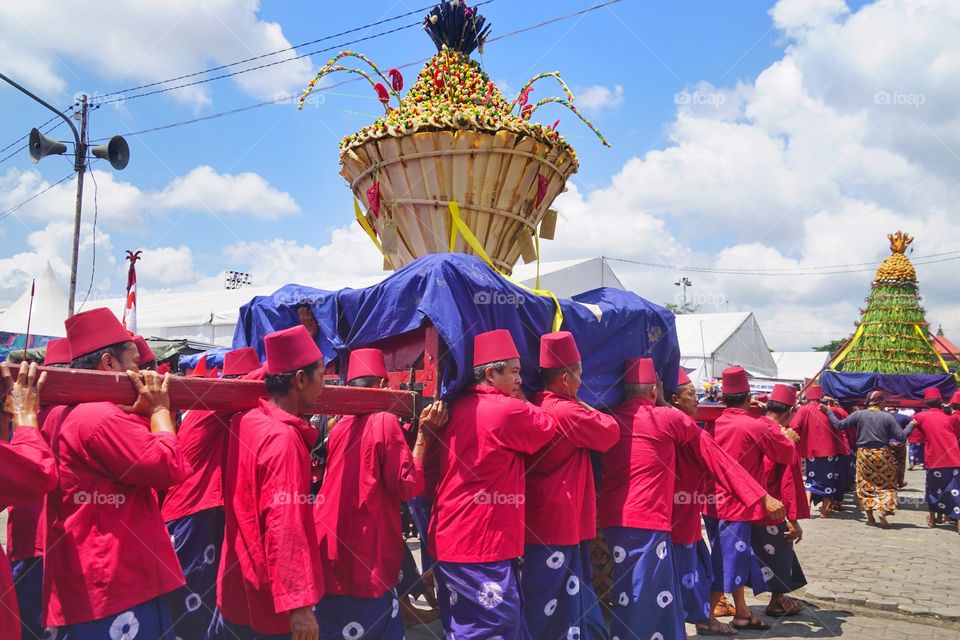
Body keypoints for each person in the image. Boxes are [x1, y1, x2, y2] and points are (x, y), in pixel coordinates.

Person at [600, 359, 783, 639]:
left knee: (648, 590)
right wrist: (761, 496)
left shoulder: (607, 417)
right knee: (644, 594)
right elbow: (720, 461)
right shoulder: (671, 419)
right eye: (689, 395)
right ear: (655, 391)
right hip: (651, 522)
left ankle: (696, 622)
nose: (696, 401)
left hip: (616, 522)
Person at [44, 307, 190, 638]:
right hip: (115, 580)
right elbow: (168, 465)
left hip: (94, 572)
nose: (144, 373)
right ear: (109, 364)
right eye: (137, 363)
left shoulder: (66, 413)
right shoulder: (99, 416)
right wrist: (161, 410)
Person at [428, 329, 557, 639]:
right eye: (514, 372)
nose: (519, 380)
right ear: (489, 373)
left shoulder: (457, 406)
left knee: (463, 626)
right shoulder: (507, 410)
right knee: (494, 627)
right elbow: (547, 426)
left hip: (450, 537)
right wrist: (524, 399)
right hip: (480, 543)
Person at [314, 347, 447, 639]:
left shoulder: (340, 426)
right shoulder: (384, 420)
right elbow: (407, 485)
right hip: (364, 547)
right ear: (384, 386)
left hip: (330, 541)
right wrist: (423, 436)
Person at [216, 326, 326, 640]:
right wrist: (299, 605)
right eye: (321, 374)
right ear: (301, 379)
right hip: (271, 599)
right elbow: (284, 524)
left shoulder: (246, 420)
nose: (325, 383)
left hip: (240, 583)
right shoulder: (283, 439)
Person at [522, 331, 618, 640]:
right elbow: (610, 432)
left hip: (540, 512)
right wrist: (587, 406)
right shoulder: (567, 411)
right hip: (559, 518)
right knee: (550, 596)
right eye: (579, 376)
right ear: (564, 379)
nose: (582, 383)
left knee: (557, 591)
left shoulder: (536, 403)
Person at [162, 345, 262, 639]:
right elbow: (255, 383)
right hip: (193, 514)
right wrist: (296, 357)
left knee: (204, 600)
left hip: (196, 513)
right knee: (193, 604)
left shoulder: (210, 407)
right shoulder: (215, 403)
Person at [706, 366, 794, 632]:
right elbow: (785, 455)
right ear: (748, 398)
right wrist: (785, 436)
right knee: (729, 560)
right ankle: (705, 616)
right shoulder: (755, 426)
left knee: (733, 556)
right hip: (737, 505)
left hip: (709, 502)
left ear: (722, 399)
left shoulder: (711, 423)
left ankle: (742, 613)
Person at [6, 338, 70, 639]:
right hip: (40, 534)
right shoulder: (48, 414)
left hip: (35, 533)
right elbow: (36, 473)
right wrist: (23, 416)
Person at [754, 385, 808, 618]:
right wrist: (794, 519)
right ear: (790, 410)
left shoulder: (750, 426)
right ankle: (777, 601)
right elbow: (788, 482)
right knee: (781, 547)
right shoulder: (783, 437)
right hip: (769, 506)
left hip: (738, 504)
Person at [824, 391, 911, 528]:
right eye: (884, 402)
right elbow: (901, 437)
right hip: (883, 453)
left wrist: (828, 412)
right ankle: (883, 510)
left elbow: (839, 425)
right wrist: (912, 425)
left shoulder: (859, 415)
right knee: (887, 484)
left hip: (864, 454)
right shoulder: (887, 417)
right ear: (880, 402)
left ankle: (870, 519)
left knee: (866, 485)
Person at [790, 385, 848, 518]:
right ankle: (824, 511)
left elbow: (794, 426)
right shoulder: (829, 410)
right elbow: (841, 422)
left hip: (811, 452)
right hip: (829, 451)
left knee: (811, 479)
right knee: (829, 480)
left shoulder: (803, 410)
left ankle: (807, 508)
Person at [907, 387, 960, 532]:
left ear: (926, 403)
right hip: (954, 458)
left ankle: (933, 518)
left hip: (934, 460)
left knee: (933, 489)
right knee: (954, 490)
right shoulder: (953, 417)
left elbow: (914, 434)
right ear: (941, 402)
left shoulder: (920, 417)